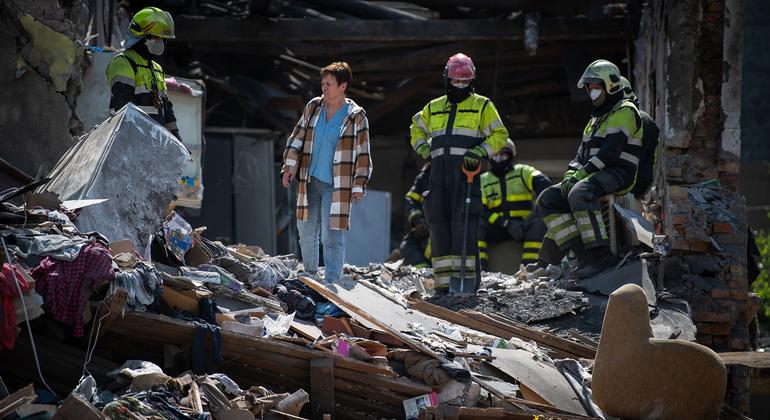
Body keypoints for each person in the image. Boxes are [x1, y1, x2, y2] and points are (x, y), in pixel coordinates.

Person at [409, 53, 508, 295]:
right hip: (438, 173)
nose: (460, 86)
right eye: (456, 82)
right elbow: (416, 129)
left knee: (463, 224)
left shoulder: (482, 105)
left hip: (466, 174)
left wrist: (480, 151)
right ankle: (443, 285)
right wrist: (423, 148)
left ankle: (466, 284)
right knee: (439, 225)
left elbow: (499, 135)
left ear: (472, 82)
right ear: (447, 80)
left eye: (465, 82)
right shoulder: (433, 107)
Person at [537, 59, 643, 279]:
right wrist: (570, 175)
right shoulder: (595, 119)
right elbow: (580, 156)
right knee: (548, 198)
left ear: (610, 85)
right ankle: (583, 256)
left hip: (618, 173)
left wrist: (580, 176)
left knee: (580, 192)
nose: (593, 92)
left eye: (597, 87)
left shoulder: (625, 111)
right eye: (590, 88)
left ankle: (601, 256)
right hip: (594, 173)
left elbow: (609, 153)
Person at [281, 62, 373, 283]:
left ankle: (332, 280)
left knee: (332, 235)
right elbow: (297, 138)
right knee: (306, 229)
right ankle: (310, 274)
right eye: (323, 83)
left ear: (343, 86)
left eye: (329, 84)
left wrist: (360, 183)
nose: (324, 87)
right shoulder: (314, 107)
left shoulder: (356, 116)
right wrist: (289, 166)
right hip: (309, 181)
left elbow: (363, 153)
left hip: (336, 185)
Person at [106, 7, 181, 140]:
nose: (164, 43)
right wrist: (145, 138)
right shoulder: (124, 62)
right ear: (144, 37)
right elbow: (124, 106)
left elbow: (166, 109)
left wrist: (176, 138)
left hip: (154, 142)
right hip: (130, 140)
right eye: (160, 38)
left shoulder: (157, 68)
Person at [478, 139, 552, 270]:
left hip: (524, 226)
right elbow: (481, 210)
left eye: (503, 154)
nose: (498, 158)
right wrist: (506, 223)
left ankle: (530, 270)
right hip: (498, 227)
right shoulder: (482, 180)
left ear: (511, 155)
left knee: (539, 222)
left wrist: (532, 217)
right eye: (494, 154)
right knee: (476, 223)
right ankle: (480, 270)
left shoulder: (524, 171)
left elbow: (547, 190)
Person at [400, 162, 432, 268]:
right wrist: (418, 221)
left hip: (442, 236)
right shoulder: (425, 176)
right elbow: (411, 200)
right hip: (424, 233)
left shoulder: (456, 176)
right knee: (407, 246)